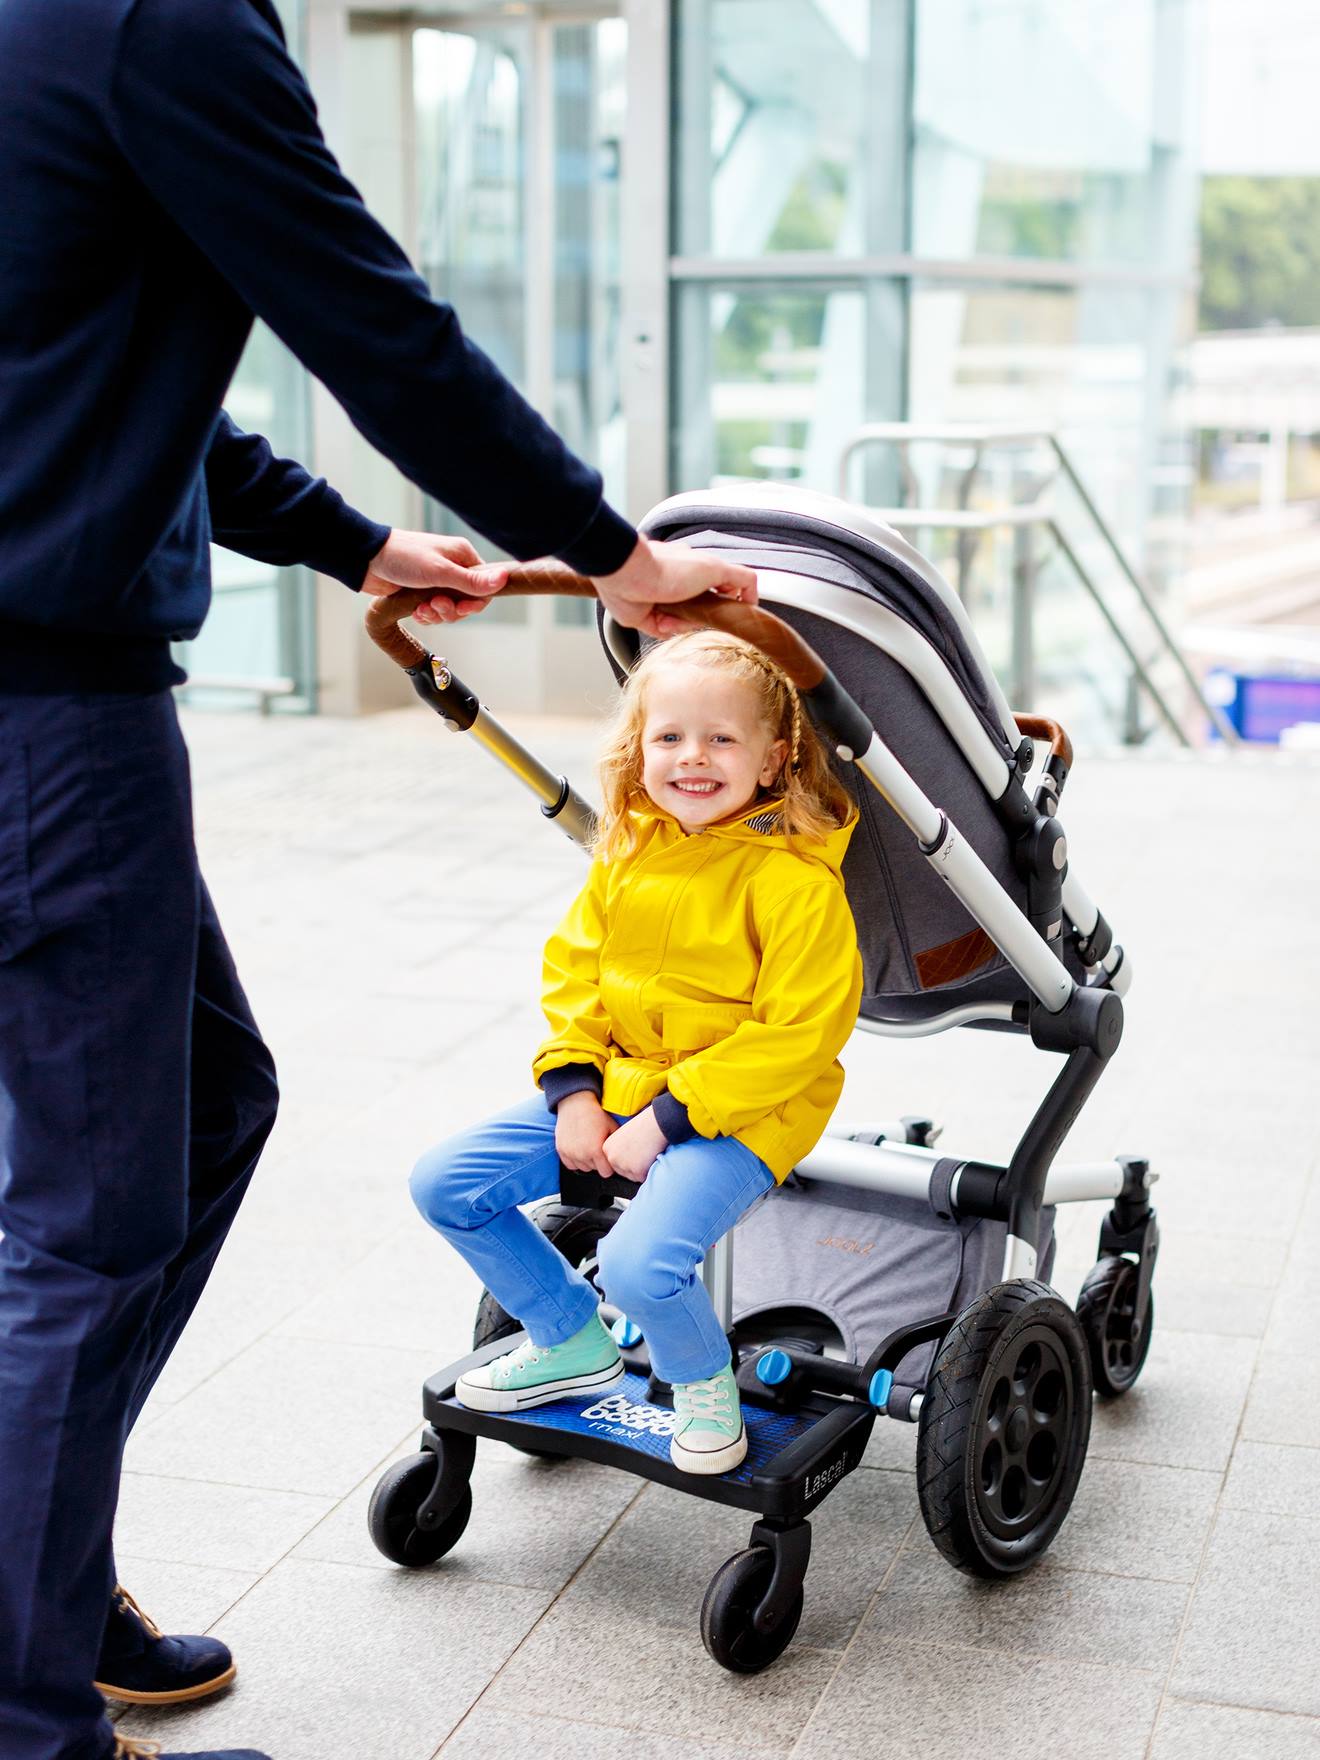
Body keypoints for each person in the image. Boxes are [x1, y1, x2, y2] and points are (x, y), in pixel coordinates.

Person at [0, 3, 757, 1757]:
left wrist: (350, 539)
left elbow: (82, 356)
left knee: (199, 1114)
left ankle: (36, 1588)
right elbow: (374, 323)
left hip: (42, 698)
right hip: (46, 719)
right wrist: (620, 560)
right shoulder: (154, 20)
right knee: (82, 1226)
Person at [410, 631, 863, 1476]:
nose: (694, 757)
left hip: (743, 1113)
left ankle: (703, 1384)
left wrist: (665, 1119)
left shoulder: (797, 883)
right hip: (622, 1088)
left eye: (722, 738)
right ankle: (569, 1336)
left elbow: (799, 1034)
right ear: (640, 750)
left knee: (637, 1261)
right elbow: (574, 976)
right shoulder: (626, 854)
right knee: (447, 1185)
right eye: (670, 737)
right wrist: (575, 1092)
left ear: (773, 761)